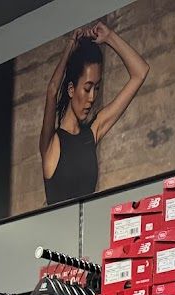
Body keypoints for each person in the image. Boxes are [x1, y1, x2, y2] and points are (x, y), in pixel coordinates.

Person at [40, 22, 149, 206]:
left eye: (96, 88)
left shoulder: (93, 131)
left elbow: (140, 72)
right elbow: (52, 90)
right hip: (55, 232)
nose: (92, 97)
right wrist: (69, 47)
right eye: (87, 88)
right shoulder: (51, 143)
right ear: (71, 89)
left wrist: (109, 37)